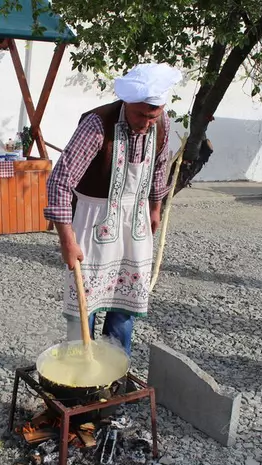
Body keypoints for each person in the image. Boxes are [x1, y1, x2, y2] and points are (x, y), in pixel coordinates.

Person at [44, 63, 182, 357]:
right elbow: (59, 182)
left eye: (153, 115)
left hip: (135, 220)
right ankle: (80, 367)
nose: (147, 123)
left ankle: (115, 365)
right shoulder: (98, 124)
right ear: (126, 103)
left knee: (125, 304)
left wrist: (155, 207)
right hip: (93, 219)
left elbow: (160, 167)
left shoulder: (161, 123)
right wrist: (66, 240)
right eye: (140, 115)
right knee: (84, 302)